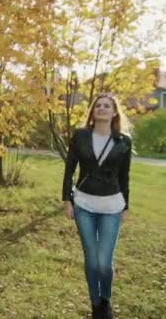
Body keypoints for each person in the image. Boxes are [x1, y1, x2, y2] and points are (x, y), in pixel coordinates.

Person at [62, 93, 132, 319]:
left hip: (112, 206)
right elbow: (69, 169)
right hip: (84, 205)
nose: (102, 108)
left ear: (114, 113)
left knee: (104, 263)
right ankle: (96, 305)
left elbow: (125, 176)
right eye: (98, 105)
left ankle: (106, 300)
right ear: (93, 112)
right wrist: (67, 200)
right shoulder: (81, 136)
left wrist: (126, 206)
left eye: (107, 106)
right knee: (92, 261)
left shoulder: (123, 141)